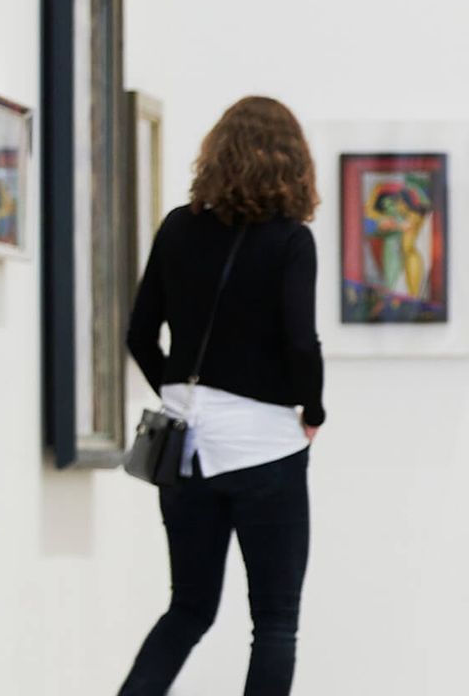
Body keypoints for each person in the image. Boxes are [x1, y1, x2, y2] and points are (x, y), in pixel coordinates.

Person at [119, 96, 326, 696]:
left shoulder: (179, 227)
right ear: (293, 161)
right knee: (276, 622)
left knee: (187, 609)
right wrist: (311, 410)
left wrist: (183, 393)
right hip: (266, 447)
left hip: (183, 449)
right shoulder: (291, 241)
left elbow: (138, 334)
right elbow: (300, 342)